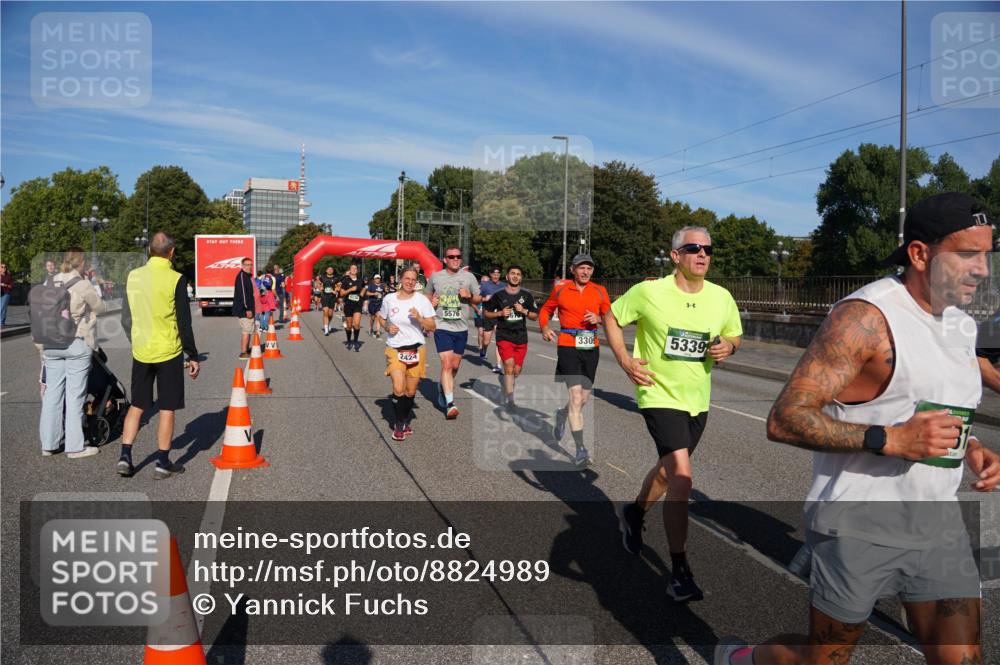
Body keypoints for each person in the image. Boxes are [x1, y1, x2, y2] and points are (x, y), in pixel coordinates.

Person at [715, 193, 998, 665]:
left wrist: (973, 447)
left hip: (936, 519)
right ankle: (744, 659)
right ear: (920, 253)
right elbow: (785, 417)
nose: (982, 270)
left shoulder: (961, 327)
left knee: (962, 657)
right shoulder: (865, 318)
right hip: (858, 521)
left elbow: (932, 405)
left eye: (986, 255)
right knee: (823, 658)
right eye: (967, 254)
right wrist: (889, 439)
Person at [606, 227, 742, 602]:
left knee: (667, 472)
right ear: (675, 255)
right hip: (657, 394)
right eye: (694, 248)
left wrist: (728, 346)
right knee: (682, 478)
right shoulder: (649, 291)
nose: (703, 254)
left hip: (698, 399)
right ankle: (679, 571)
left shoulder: (721, 297)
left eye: (708, 249)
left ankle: (634, 513)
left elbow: (735, 335)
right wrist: (624, 359)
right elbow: (613, 317)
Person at [118, 232, 200, 479]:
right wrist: (192, 354)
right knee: (167, 407)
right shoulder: (176, 279)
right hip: (168, 351)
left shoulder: (133, 276)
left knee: (138, 405)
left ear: (150, 251)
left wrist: (136, 340)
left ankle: (125, 456)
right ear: (171, 252)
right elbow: (184, 323)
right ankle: (163, 462)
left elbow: (125, 317)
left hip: (142, 350)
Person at [538, 253, 612, 465]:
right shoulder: (561, 288)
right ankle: (580, 449)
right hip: (568, 346)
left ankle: (562, 414)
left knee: (583, 399)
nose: (585, 271)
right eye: (581, 268)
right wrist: (544, 327)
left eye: (589, 268)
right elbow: (546, 309)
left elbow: (610, 317)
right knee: (576, 397)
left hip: (591, 347)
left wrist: (599, 318)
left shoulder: (600, 291)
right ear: (573, 269)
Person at [39, 248, 105, 458]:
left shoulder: (49, 283)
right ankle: (75, 447)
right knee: (75, 395)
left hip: (50, 343)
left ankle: (48, 444)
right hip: (76, 342)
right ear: (81, 263)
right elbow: (100, 307)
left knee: (52, 395)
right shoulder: (82, 284)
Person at [377, 266, 436, 441]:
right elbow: (381, 317)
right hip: (395, 348)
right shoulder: (389, 299)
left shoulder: (422, 300)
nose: (410, 282)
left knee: (410, 392)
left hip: (417, 349)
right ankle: (399, 424)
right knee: (398, 387)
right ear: (401, 279)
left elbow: (432, 327)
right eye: (407, 278)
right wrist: (387, 326)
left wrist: (419, 318)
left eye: (413, 279)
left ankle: (403, 420)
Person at [425, 246, 482, 419]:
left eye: (458, 256)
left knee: (455, 366)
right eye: (451, 257)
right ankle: (450, 403)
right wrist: (431, 303)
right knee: (447, 364)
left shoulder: (469, 277)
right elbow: (427, 295)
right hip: (442, 326)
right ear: (445, 259)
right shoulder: (436, 277)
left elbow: (478, 298)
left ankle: (442, 387)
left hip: (461, 328)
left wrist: (469, 296)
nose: (455, 259)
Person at [483, 266, 539, 412]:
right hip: (504, 336)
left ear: (521, 278)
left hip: (521, 337)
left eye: (518, 274)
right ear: (507, 277)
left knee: (516, 370)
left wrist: (524, 311)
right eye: (512, 274)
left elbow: (535, 316)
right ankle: (510, 399)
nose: (515, 276)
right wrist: (500, 313)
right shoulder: (498, 294)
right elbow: (486, 313)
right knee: (508, 366)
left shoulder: (526, 295)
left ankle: (507, 387)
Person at [479, 266, 507, 373]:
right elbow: (476, 297)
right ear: (490, 274)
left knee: (499, 340)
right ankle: (483, 349)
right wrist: (484, 298)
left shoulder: (504, 286)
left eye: (498, 273)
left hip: (499, 316)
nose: (496, 275)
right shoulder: (484, 285)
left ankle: (498, 364)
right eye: (494, 273)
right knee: (486, 341)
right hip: (488, 315)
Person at [232, 257, 256, 359]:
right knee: (246, 330)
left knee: (249, 329)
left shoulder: (247, 276)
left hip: (248, 308)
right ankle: (243, 352)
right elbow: (243, 294)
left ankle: (246, 349)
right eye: (247, 265)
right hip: (244, 309)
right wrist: (247, 309)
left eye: (251, 265)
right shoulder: (242, 276)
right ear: (242, 266)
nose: (249, 267)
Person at [339, 263, 364, 351]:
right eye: (352, 268)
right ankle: (349, 341)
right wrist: (350, 289)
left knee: (356, 324)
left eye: (355, 268)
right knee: (349, 325)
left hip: (358, 304)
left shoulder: (361, 280)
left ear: (357, 270)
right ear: (350, 270)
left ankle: (356, 342)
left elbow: (364, 287)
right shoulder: (345, 281)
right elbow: (341, 293)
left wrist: (362, 293)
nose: (354, 269)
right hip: (348, 305)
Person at [319, 266, 339, 336]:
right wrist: (320, 287)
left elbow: (338, 285)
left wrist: (335, 290)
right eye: (328, 269)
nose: (330, 270)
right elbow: (318, 283)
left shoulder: (336, 278)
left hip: (332, 297)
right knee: (325, 312)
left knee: (330, 314)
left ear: (333, 271)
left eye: (331, 269)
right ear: (326, 270)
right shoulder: (322, 277)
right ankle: (326, 329)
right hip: (324, 297)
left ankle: (328, 323)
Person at [0, 262, 12, 328]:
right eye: (2, 267)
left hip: (6, 293)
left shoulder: (8, 276)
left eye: (4, 267)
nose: (3, 268)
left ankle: (1, 323)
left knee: (2, 308)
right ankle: (3, 322)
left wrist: (4, 285)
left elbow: (11, 286)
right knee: (2, 309)